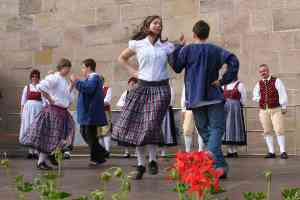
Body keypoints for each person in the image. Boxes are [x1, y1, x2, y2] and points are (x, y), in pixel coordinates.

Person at [169, 20, 239, 178]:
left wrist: (180, 47)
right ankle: (216, 161)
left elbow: (176, 66)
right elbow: (233, 61)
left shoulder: (187, 50)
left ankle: (219, 166)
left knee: (207, 132)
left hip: (195, 97)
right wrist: (223, 80)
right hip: (213, 96)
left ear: (194, 34)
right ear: (208, 34)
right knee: (215, 130)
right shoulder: (215, 50)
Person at [112, 15, 175, 180]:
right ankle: (141, 165)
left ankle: (153, 160)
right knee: (139, 128)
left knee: (151, 123)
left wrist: (182, 46)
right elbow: (121, 58)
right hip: (142, 87)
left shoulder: (167, 46)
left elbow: (178, 60)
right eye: (155, 23)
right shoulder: (137, 44)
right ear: (147, 26)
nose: (158, 26)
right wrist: (132, 71)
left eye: (160, 24)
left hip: (161, 89)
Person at [21, 58, 76, 170]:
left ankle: (48, 157)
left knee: (60, 135)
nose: (68, 71)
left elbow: (67, 98)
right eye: (67, 68)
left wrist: (72, 85)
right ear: (62, 67)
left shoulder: (63, 81)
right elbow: (41, 87)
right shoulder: (54, 77)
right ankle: (46, 159)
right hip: (54, 111)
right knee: (50, 136)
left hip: (62, 111)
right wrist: (50, 99)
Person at [71, 58, 108, 166]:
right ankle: (101, 153)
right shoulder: (90, 78)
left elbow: (89, 89)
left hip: (90, 112)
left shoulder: (94, 77)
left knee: (90, 135)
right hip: (87, 112)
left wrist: (76, 81)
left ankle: (96, 158)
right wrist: (78, 82)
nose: (82, 70)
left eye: (83, 67)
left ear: (88, 67)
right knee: (85, 133)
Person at [252, 64, 288, 159]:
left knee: (279, 130)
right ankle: (271, 152)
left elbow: (282, 93)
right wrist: (259, 98)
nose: (263, 73)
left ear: (268, 71)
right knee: (267, 131)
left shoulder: (277, 81)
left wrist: (284, 106)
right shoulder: (258, 83)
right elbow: (255, 95)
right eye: (261, 71)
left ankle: (283, 151)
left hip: (276, 109)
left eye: (264, 71)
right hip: (263, 110)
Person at [19, 69, 43, 159]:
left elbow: (44, 100)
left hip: (38, 110)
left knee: (37, 129)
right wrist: (22, 113)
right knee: (29, 129)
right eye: (33, 76)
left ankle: (36, 151)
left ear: (39, 78)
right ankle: (30, 151)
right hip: (28, 111)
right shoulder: (27, 87)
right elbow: (23, 101)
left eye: (36, 76)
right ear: (30, 77)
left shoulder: (41, 87)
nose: (34, 78)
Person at [222, 78, 247, 158]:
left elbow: (243, 98)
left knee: (235, 127)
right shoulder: (224, 85)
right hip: (225, 109)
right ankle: (230, 151)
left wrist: (240, 105)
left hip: (235, 109)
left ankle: (234, 151)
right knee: (227, 128)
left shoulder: (240, 85)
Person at [116, 77, 138, 158]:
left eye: (133, 84)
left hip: (136, 117)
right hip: (127, 117)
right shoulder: (126, 93)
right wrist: (125, 106)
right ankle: (127, 151)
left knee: (136, 135)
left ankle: (137, 152)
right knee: (125, 135)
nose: (131, 86)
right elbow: (119, 103)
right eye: (130, 84)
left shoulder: (139, 93)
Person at [181, 84, 204, 152]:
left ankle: (201, 151)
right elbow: (184, 95)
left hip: (201, 108)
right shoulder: (187, 82)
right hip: (189, 108)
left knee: (201, 130)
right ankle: (187, 151)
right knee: (187, 130)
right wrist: (183, 110)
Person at [160, 79, 178, 157]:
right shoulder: (159, 88)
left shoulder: (170, 88)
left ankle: (163, 151)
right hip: (159, 111)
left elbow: (171, 101)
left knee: (166, 131)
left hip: (166, 111)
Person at [98, 76, 112, 156]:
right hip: (96, 112)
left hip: (105, 112)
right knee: (98, 133)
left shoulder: (107, 89)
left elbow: (107, 101)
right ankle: (101, 150)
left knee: (105, 131)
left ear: (102, 81)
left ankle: (107, 150)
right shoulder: (94, 90)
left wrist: (96, 104)